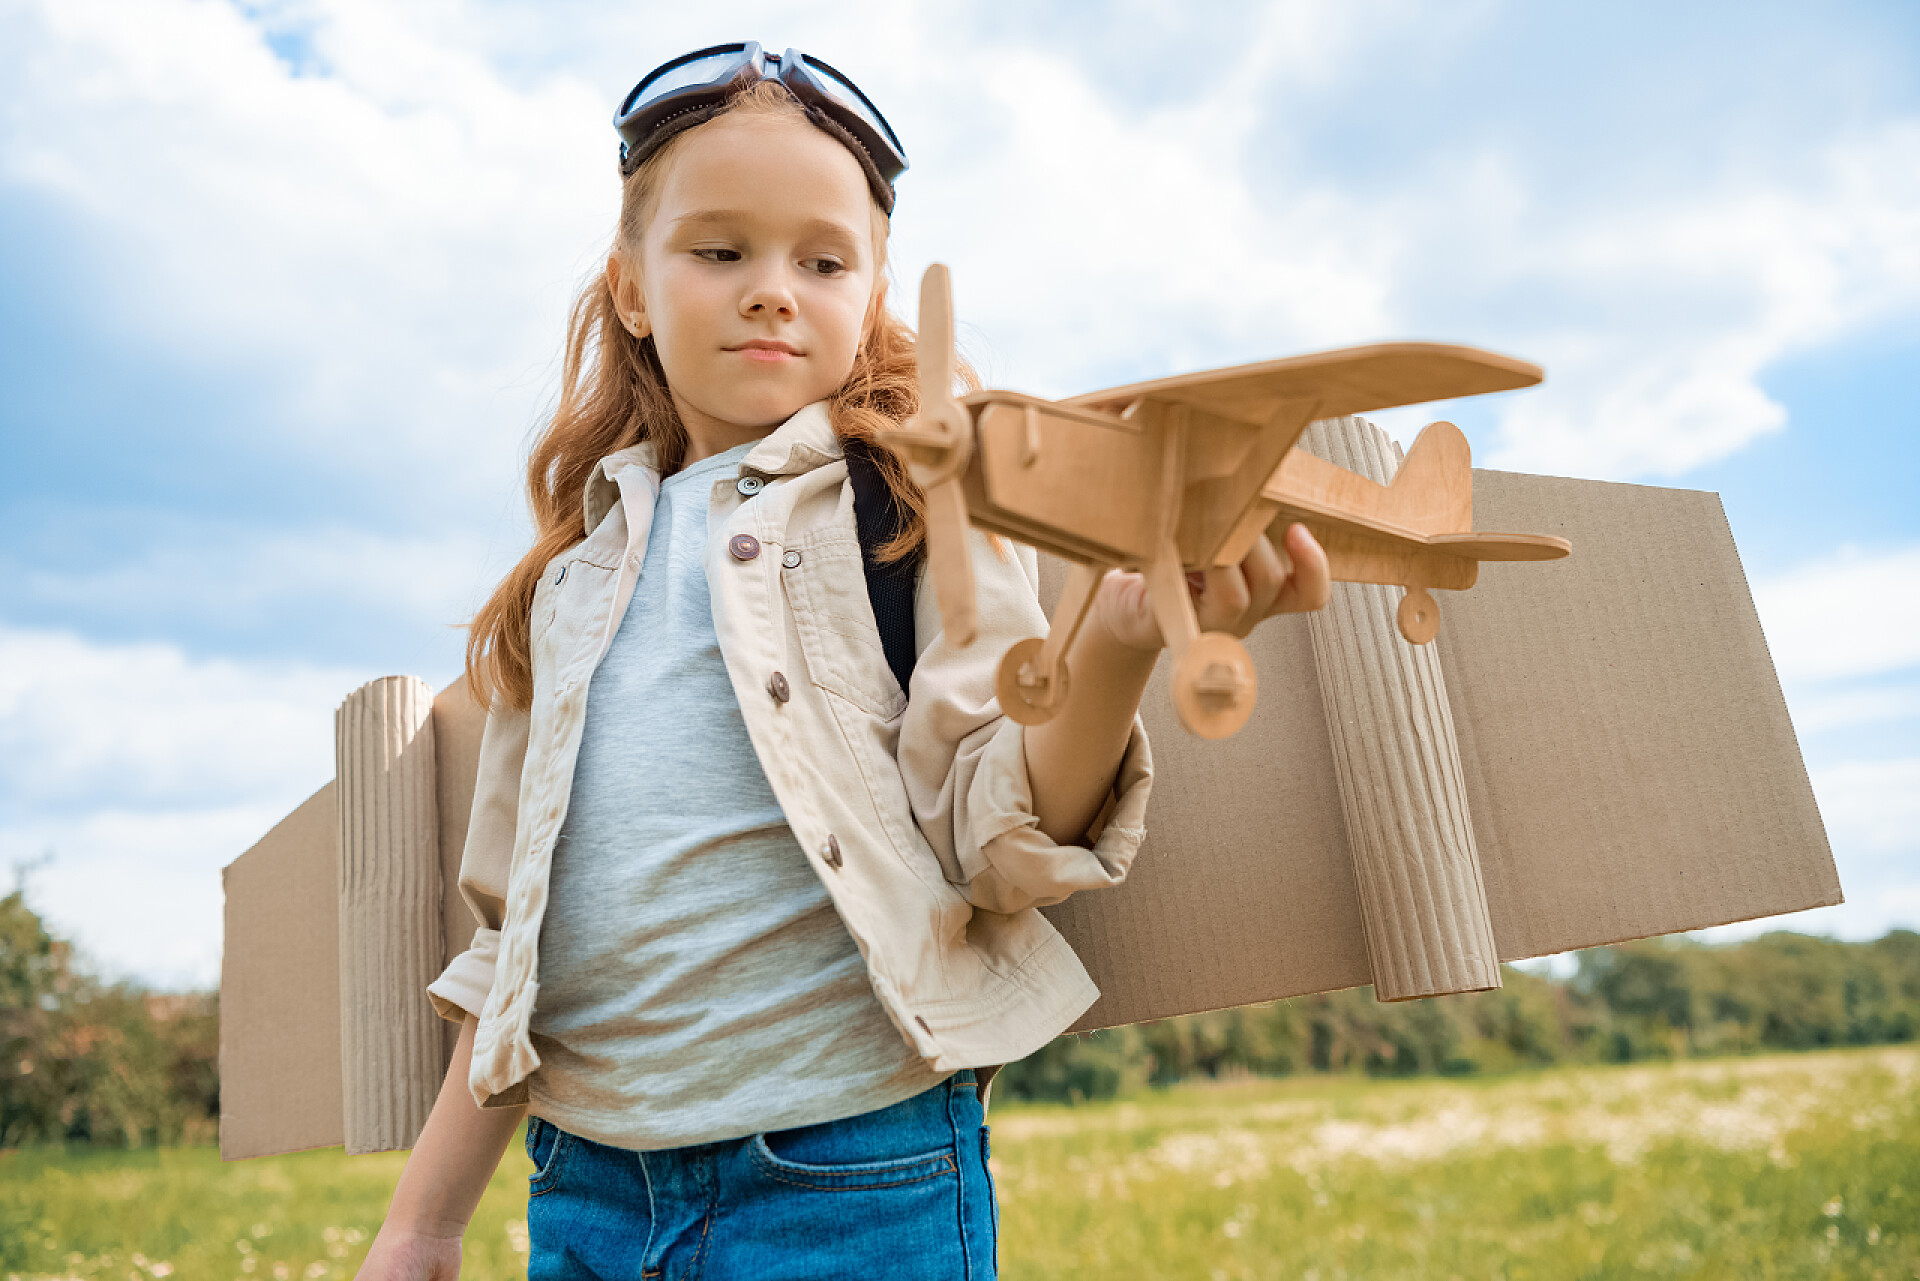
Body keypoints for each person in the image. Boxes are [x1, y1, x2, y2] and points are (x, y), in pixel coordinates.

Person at [357, 43, 1330, 1281]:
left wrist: (1121, 644)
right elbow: (514, 948)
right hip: (588, 1192)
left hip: (853, 1177)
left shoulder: (912, 509)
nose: (774, 292)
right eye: (721, 252)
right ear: (633, 289)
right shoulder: (567, 586)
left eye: (822, 263)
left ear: (870, 299)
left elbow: (998, 833)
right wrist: (423, 1224)